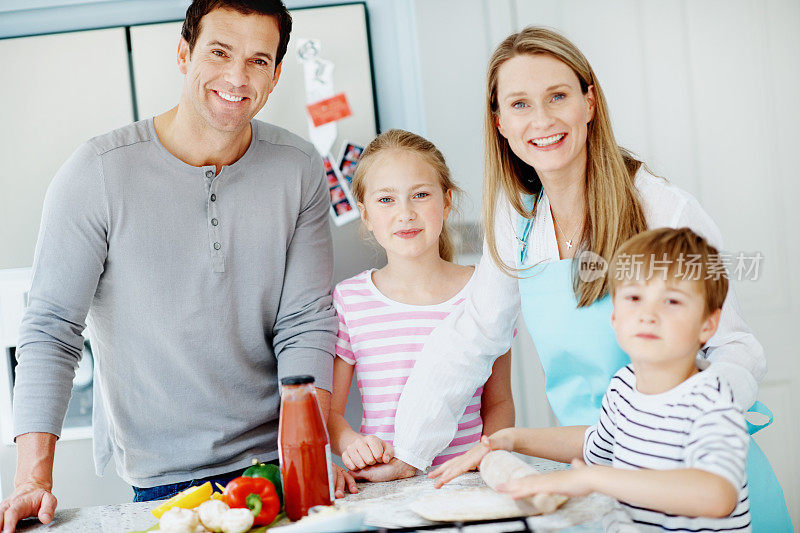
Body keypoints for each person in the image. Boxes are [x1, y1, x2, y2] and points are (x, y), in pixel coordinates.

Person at [391, 27, 791, 530]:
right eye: (520, 104)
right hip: (600, 475)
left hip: (697, 484)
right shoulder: (517, 223)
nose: (542, 120)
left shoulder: (661, 210)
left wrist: (694, 414)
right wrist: (410, 449)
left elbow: (735, 346)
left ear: (589, 102)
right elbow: (473, 335)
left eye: (558, 96)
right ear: (499, 123)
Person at [0, 1, 356, 531]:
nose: (237, 77)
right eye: (219, 52)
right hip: (163, 477)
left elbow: (305, 319)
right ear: (184, 55)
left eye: (259, 61)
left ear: (277, 75)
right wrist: (32, 480)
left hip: (277, 460)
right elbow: (52, 330)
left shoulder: (299, 166)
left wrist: (312, 445)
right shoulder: (97, 172)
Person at [431, 227, 751, 531]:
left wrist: (594, 479)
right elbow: (594, 444)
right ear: (615, 316)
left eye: (672, 301)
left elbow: (717, 495)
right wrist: (509, 439)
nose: (648, 314)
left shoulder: (713, 401)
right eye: (635, 298)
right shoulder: (625, 386)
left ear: (708, 325)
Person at [327, 130, 515, 482]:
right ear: (365, 215)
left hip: (469, 483)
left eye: (420, 195)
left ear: (446, 202)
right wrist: (351, 442)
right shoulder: (350, 301)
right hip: (385, 487)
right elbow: (331, 415)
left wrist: (486, 455)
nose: (405, 213)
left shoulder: (484, 290)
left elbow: (499, 402)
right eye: (386, 200)